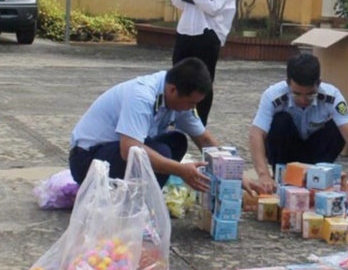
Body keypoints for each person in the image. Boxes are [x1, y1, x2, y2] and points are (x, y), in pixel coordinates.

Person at [69, 57, 245, 194]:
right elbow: (129, 149)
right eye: (191, 103)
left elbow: (204, 140)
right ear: (173, 90)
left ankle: (141, 198)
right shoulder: (141, 96)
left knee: (177, 141)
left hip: (112, 154)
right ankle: (142, 207)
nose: (192, 108)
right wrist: (181, 170)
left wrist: (235, 176)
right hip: (87, 161)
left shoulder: (176, 94)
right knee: (162, 152)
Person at [249, 54, 348, 194]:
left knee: (338, 127)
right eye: (297, 94)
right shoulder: (272, 96)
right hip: (286, 154)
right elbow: (256, 134)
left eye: (310, 94)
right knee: (280, 120)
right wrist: (263, 175)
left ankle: (317, 178)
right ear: (288, 83)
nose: (303, 100)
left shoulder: (332, 96)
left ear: (319, 83)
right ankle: (280, 176)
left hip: (315, 156)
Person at [171, 0, 237, 127]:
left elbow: (214, 8)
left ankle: (200, 125)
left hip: (207, 35)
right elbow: (176, 1)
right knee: (177, 76)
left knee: (203, 81)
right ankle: (175, 119)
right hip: (185, 31)